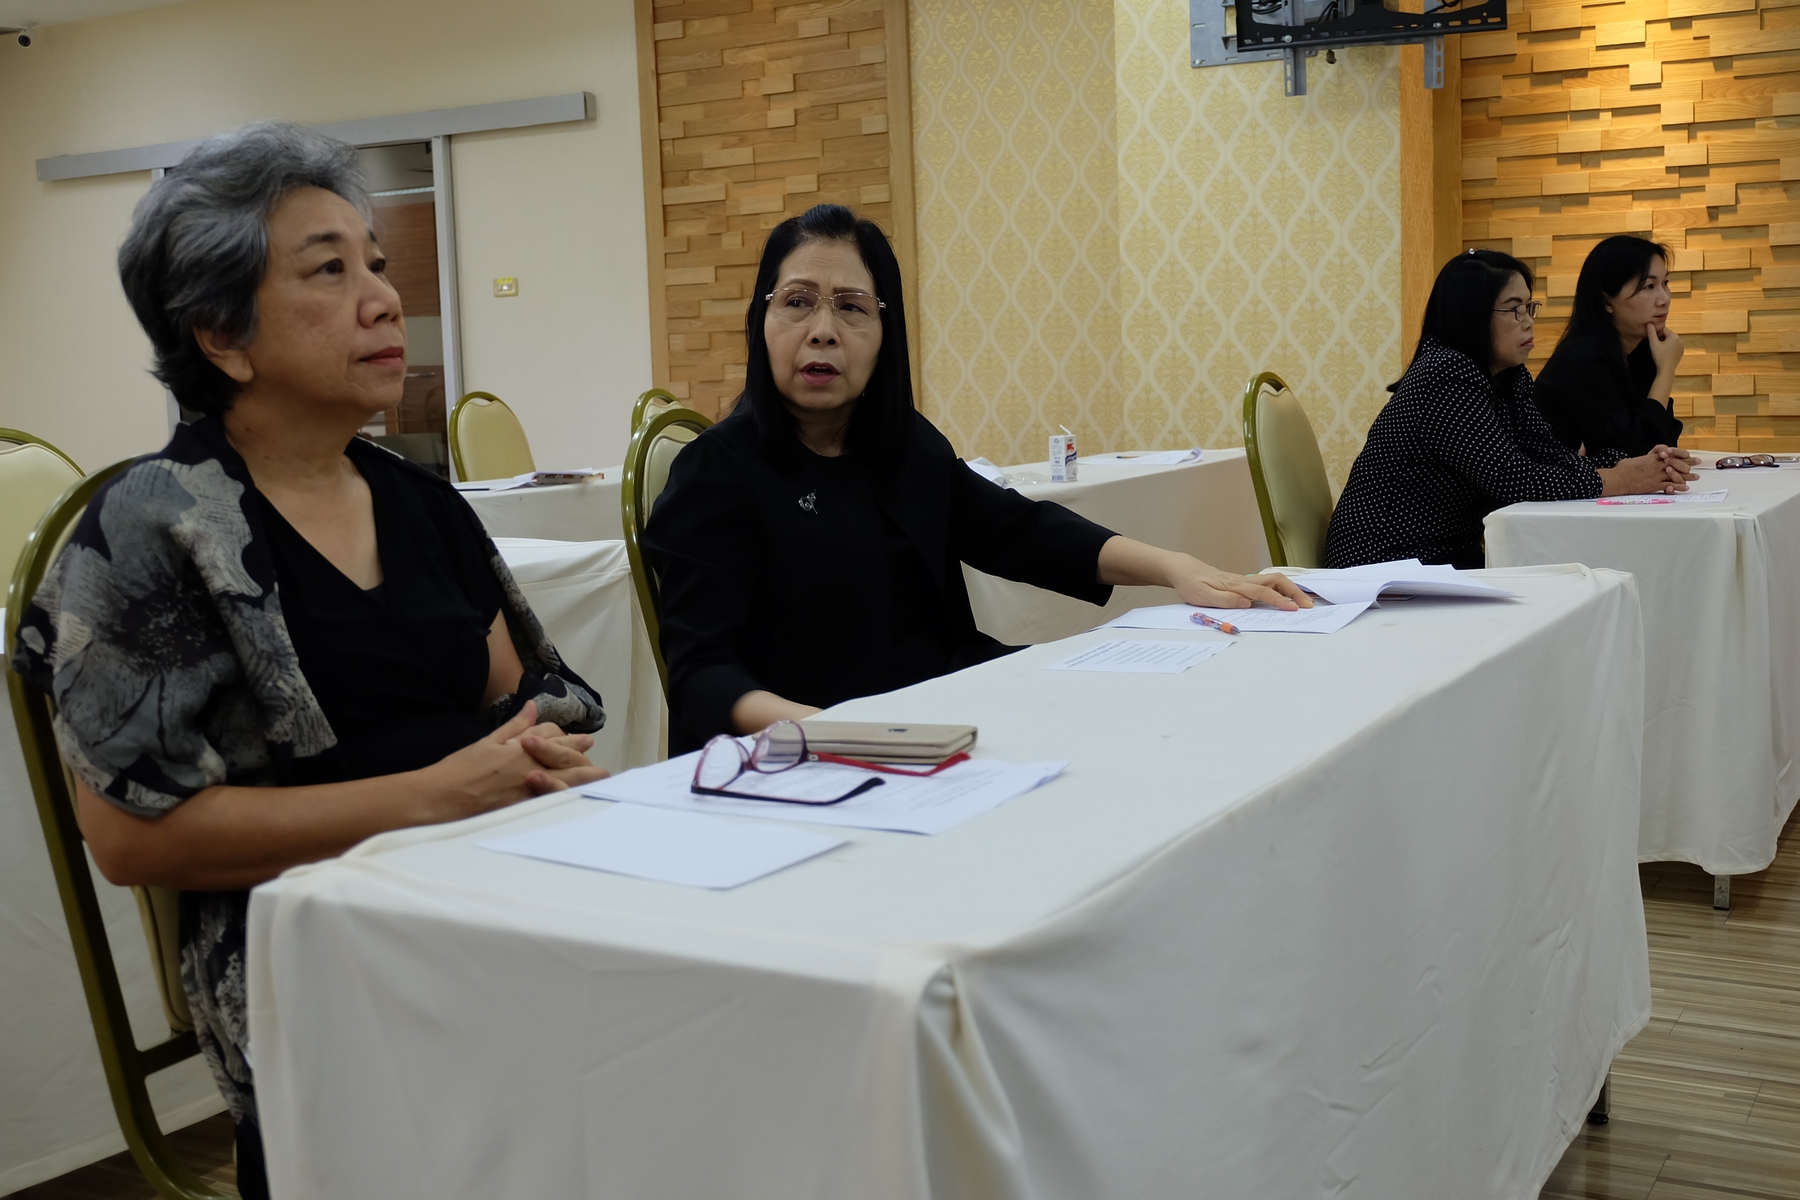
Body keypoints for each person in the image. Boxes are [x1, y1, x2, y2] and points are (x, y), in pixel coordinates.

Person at [9, 122, 606, 1198]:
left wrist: (521, 757)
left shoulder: (419, 500)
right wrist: (431, 794)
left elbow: (532, 702)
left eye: (376, 262)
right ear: (221, 336)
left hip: (482, 895)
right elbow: (134, 837)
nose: (383, 298)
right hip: (310, 953)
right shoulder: (148, 527)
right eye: (329, 271)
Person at [643, 203, 1310, 753]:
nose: (823, 331)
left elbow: (1019, 530)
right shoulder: (716, 471)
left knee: (1155, 717)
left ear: (886, 331)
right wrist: (834, 731)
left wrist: (1178, 569)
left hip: (944, 712)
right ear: (761, 322)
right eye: (797, 302)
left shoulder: (903, 446)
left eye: (851, 307)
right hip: (813, 750)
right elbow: (701, 674)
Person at [1324, 249, 1696, 569]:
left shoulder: (1508, 376)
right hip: (1386, 565)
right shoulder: (1446, 374)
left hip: (1443, 560)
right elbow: (1513, 479)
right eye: (1515, 310)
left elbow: (1550, 455)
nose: (1529, 321)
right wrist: (1624, 479)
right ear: (1472, 314)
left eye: (1529, 307)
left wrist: (1641, 464)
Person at [1533, 234, 1685, 459]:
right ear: (1606, 302)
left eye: (1665, 283)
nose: (1664, 299)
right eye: (1649, 286)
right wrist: (1666, 371)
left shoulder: (1641, 350)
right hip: (1548, 480)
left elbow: (1662, 443)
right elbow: (1634, 453)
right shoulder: (1582, 359)